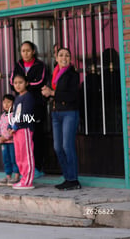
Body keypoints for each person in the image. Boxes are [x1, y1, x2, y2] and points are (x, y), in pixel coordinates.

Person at [41, 48, 81, 190]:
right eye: (61, 55)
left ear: (70, 59)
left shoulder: (73, 75)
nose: (64, 58)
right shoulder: (54, 74)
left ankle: (73, 179)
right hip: (56, 113)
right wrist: (46, 93)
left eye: (67, 55)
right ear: (56, 58)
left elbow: (72, 96)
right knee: (57, 147)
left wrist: (52, 92)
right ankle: (67, 177)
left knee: (67, 146)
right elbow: (53, 94)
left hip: (69, 112)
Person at [10, 41, 48, 178]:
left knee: (35, 136)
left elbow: (40, 82)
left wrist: (25, 83)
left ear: (33, 51)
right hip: (21, 105)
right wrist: (24, 84)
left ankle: (36, 167)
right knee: (21, 139)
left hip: (36, 106)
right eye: (23, 51)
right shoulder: (18, 65)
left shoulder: (40, 65)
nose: (25, 53)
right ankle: (22, 170)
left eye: (28, 50)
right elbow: (11, 81)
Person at [9, 74, 36, 190]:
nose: (18, 85)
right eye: (15, 83)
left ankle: (28, 180)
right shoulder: (18, 98)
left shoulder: (28, 97)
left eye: (20, 82)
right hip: (16, 131)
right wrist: (10, 126)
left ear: (26, 83)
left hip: (24, 129)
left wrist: (16, 126)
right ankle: (23, 178)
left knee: (26, 155)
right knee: (19, 155)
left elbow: (26, 114)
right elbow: (15, 114)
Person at [0, 94, 19, 186]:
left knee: (14, 158)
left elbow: (13, 128)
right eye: (4, 102)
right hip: (4, 143)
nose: (6, 104)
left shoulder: (14, 115)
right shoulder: (3, 116)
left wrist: (6, 137)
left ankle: (16, 176)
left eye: (9, 102)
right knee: (6, 159)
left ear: (13, 104)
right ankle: (8, 176)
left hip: (12, 142)